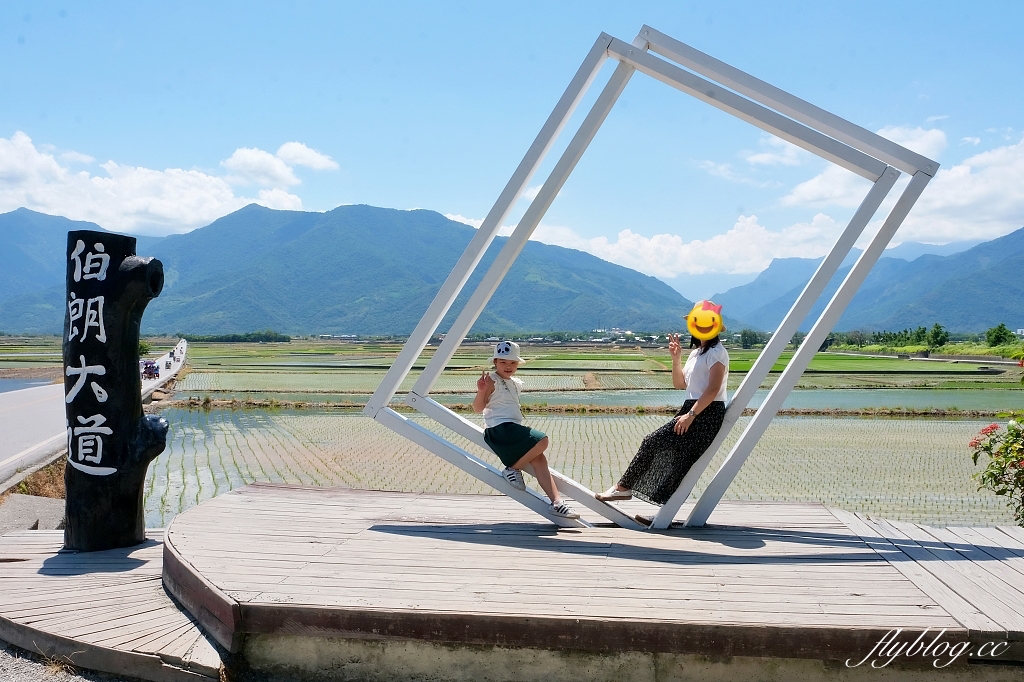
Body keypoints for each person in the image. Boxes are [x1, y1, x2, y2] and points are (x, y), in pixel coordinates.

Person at [596, 330, 728, 507]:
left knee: (652, 442)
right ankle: (663, 511)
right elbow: (680, 384)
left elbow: (713, 389)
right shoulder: (697, 353)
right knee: (677, 461)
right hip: (692, 408)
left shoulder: (717, 352)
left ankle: (623, 488)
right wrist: (676, 359)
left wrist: (691, 416)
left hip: (706, 412)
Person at [473, 341, 580, 519]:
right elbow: (478, 409)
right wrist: (481, 391)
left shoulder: (515, 383)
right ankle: (512, 469)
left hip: (511, 429)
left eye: (512, 363)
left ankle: (557, 502)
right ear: (495, 362)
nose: (508, 366)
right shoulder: (491, 380)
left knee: (539, 459)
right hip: (499, 429)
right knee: (542, 440)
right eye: (503, 362)